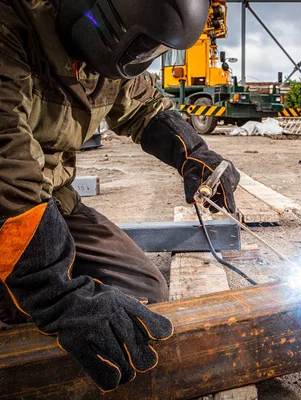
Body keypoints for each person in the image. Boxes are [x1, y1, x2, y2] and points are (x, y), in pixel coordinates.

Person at [0, 0, 239, 392]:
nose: (141, 60)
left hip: (53, 198)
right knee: (22, 307)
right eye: (142, 48)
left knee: (144, 294)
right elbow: (6, 167)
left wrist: (195, 155)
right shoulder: (12, 28)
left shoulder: (110, 56)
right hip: (7, 206)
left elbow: (146, 108)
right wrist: (56, 295)